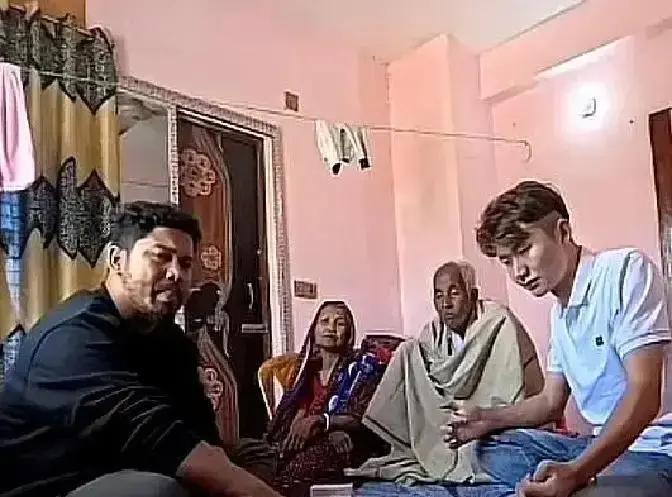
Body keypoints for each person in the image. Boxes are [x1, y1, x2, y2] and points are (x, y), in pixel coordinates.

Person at [0, 201, 281, 497]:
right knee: (157, 489)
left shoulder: (172, 342)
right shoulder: (72, 337)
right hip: (60, 485)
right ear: (117, 260)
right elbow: (157, 435)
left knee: (252, 454)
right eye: (161, 257)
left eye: (185, 264)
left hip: (127, 464)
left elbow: (201, 434)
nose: (176, 274)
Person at [443, 181, 672, 496]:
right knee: (492, 448)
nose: (518, 272)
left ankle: (576, 482)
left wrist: (577, 472)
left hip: (655, 451)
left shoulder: (625, 271)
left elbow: (645, 393)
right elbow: (550, 402)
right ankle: (573, 482)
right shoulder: (559, 315)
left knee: (597, 482)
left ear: (563, 232)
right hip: (596, 446)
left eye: (524, 250)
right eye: (507, 260)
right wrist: (486, 419)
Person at [348, 261, 543, 485]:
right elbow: (424, 389)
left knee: (491, 454)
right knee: (407, 350)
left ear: (472, 295)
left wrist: (480, 420)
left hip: (496, 423)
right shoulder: (433, 331)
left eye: (454, 293)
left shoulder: (498, 322)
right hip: (450, 428)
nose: (446, 304)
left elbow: (510, 393)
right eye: (438, 295)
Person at [265, 300, 385, 497]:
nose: (331, 328)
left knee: (292, 475)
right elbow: (294, 418)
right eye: (325, 321)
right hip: (303, 442)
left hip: (346, 442)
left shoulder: (362, 369)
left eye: (339, 323)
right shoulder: (306, 373)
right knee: (256, 463)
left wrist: (326, 424)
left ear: (348, 334)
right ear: (314, 329)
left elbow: (364, 416)